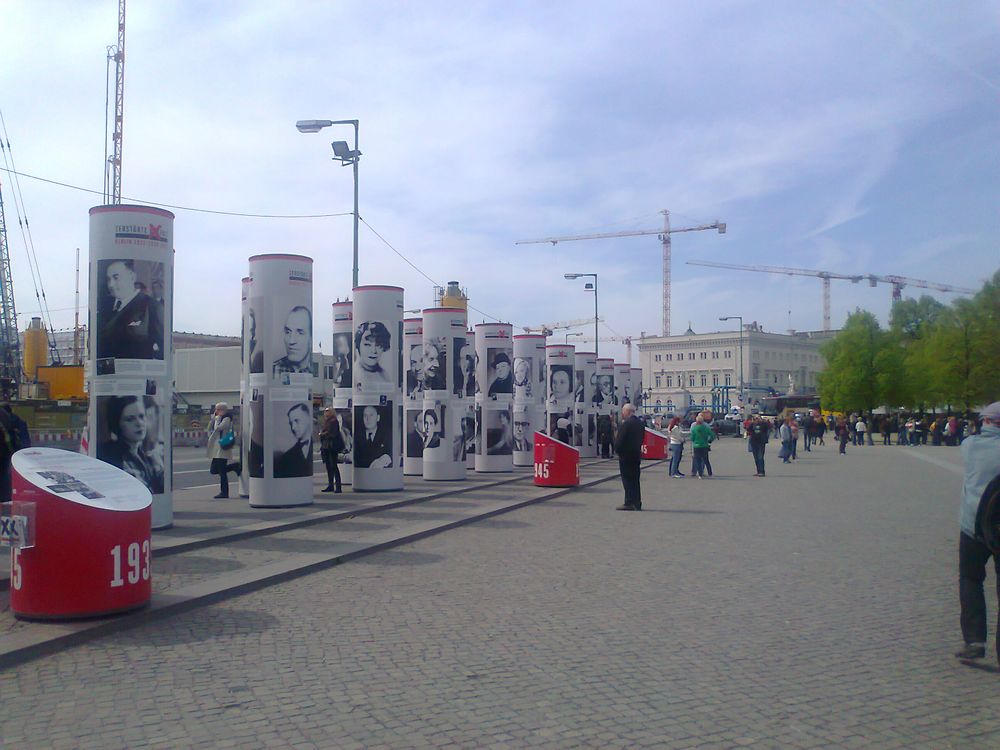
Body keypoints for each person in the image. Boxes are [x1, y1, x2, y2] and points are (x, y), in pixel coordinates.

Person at [955, 402, 1000, 662]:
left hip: (973, 525)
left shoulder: (972, 446)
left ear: (988, 423)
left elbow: (966, 442)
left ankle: (974, 640)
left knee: (971, 580)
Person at [97, 259, 164, 360]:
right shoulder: (103, 306)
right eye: (108, 279)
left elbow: (162, 350)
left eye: (116, 278)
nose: (111, 284)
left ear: (132, 277)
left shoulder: (152, 307)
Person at [99, 395, 165, 495]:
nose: (139, 423)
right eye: (130, 419)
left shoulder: (146, 455)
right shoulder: (111, 455)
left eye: (141, 416)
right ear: (117, 424)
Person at [205, 402, 240, 497]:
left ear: (223, 410)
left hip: (222, 447)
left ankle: (224, 492)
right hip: (217, 448)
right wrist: (213, 418)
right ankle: (234, 467)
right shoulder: (218, 418)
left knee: (221, 471)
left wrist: (217, 419)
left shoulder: (226, 418)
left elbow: (218, 428)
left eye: (218, 409)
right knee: (214, 470)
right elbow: (209, 428)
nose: (216, 411)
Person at [614, 403, 645, 511]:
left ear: (627, 412)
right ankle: (637, 502)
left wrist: (617, 450)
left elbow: (619, 440)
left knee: (627, 479)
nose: (622, 414)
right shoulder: (640, 423)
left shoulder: (627, 424)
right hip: (636, 454)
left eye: (623, 412)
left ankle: (629, 502)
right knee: (635, 479)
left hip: (626, 455)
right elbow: (642, 438)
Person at [274, 403, 313, 478]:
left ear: (308, 419)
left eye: (297, 421)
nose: (293, 427)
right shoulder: (287, 457)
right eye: (291, 423)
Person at [272, 306, 312, 376]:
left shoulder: (316, 371)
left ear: (311, 338)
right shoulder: (273, 370)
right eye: (288, 332)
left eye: (300, 333)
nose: (291, 341)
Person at [355, 321, 393, 386]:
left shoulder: (386, 376)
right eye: (367, 344)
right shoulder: (354, 375)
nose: (373, 351)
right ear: (358, 345)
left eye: (378, 345)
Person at [319, 409, 344, 493]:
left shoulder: (333, 421)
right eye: (325, 412)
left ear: (331, 413)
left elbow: (332, 433)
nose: (325, 413)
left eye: (327, 412)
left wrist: (322, 434)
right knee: (329, 466)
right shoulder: (327, 421)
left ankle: (338, 486)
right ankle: (330, 485)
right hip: (326, 446)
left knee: (333, 466)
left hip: (331, 447)